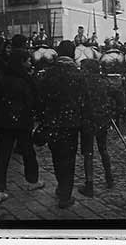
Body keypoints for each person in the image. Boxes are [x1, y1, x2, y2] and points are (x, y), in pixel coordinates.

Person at [36, 40, 85, 208]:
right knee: (69, 159)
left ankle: (60, 186)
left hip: (52, 123)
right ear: (72, 54)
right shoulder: (79, 75)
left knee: (56, 156)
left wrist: (42, 119)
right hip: (71, 124)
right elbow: (84, 101)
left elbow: (40, 100)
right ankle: (65, 194)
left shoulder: (48, 74)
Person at [0, 50, 44, 203]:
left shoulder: (4, 78)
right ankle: (32, 181)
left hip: (5, 122)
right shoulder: (26, 79)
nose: (30, 63)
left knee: (4, 155)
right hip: (22, 122)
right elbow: (32, 100)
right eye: (27, 61)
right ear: (21, 62)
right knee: (28, 153)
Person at [77, 59, 115, 197]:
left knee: (88, 153)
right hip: (102, 119)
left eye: (82, 67)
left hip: (88, 120)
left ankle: (89, 185)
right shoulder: (104, 81)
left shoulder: (83, 83)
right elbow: (112, 98)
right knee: (103, 149)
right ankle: (109, 178)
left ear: (87, 69)